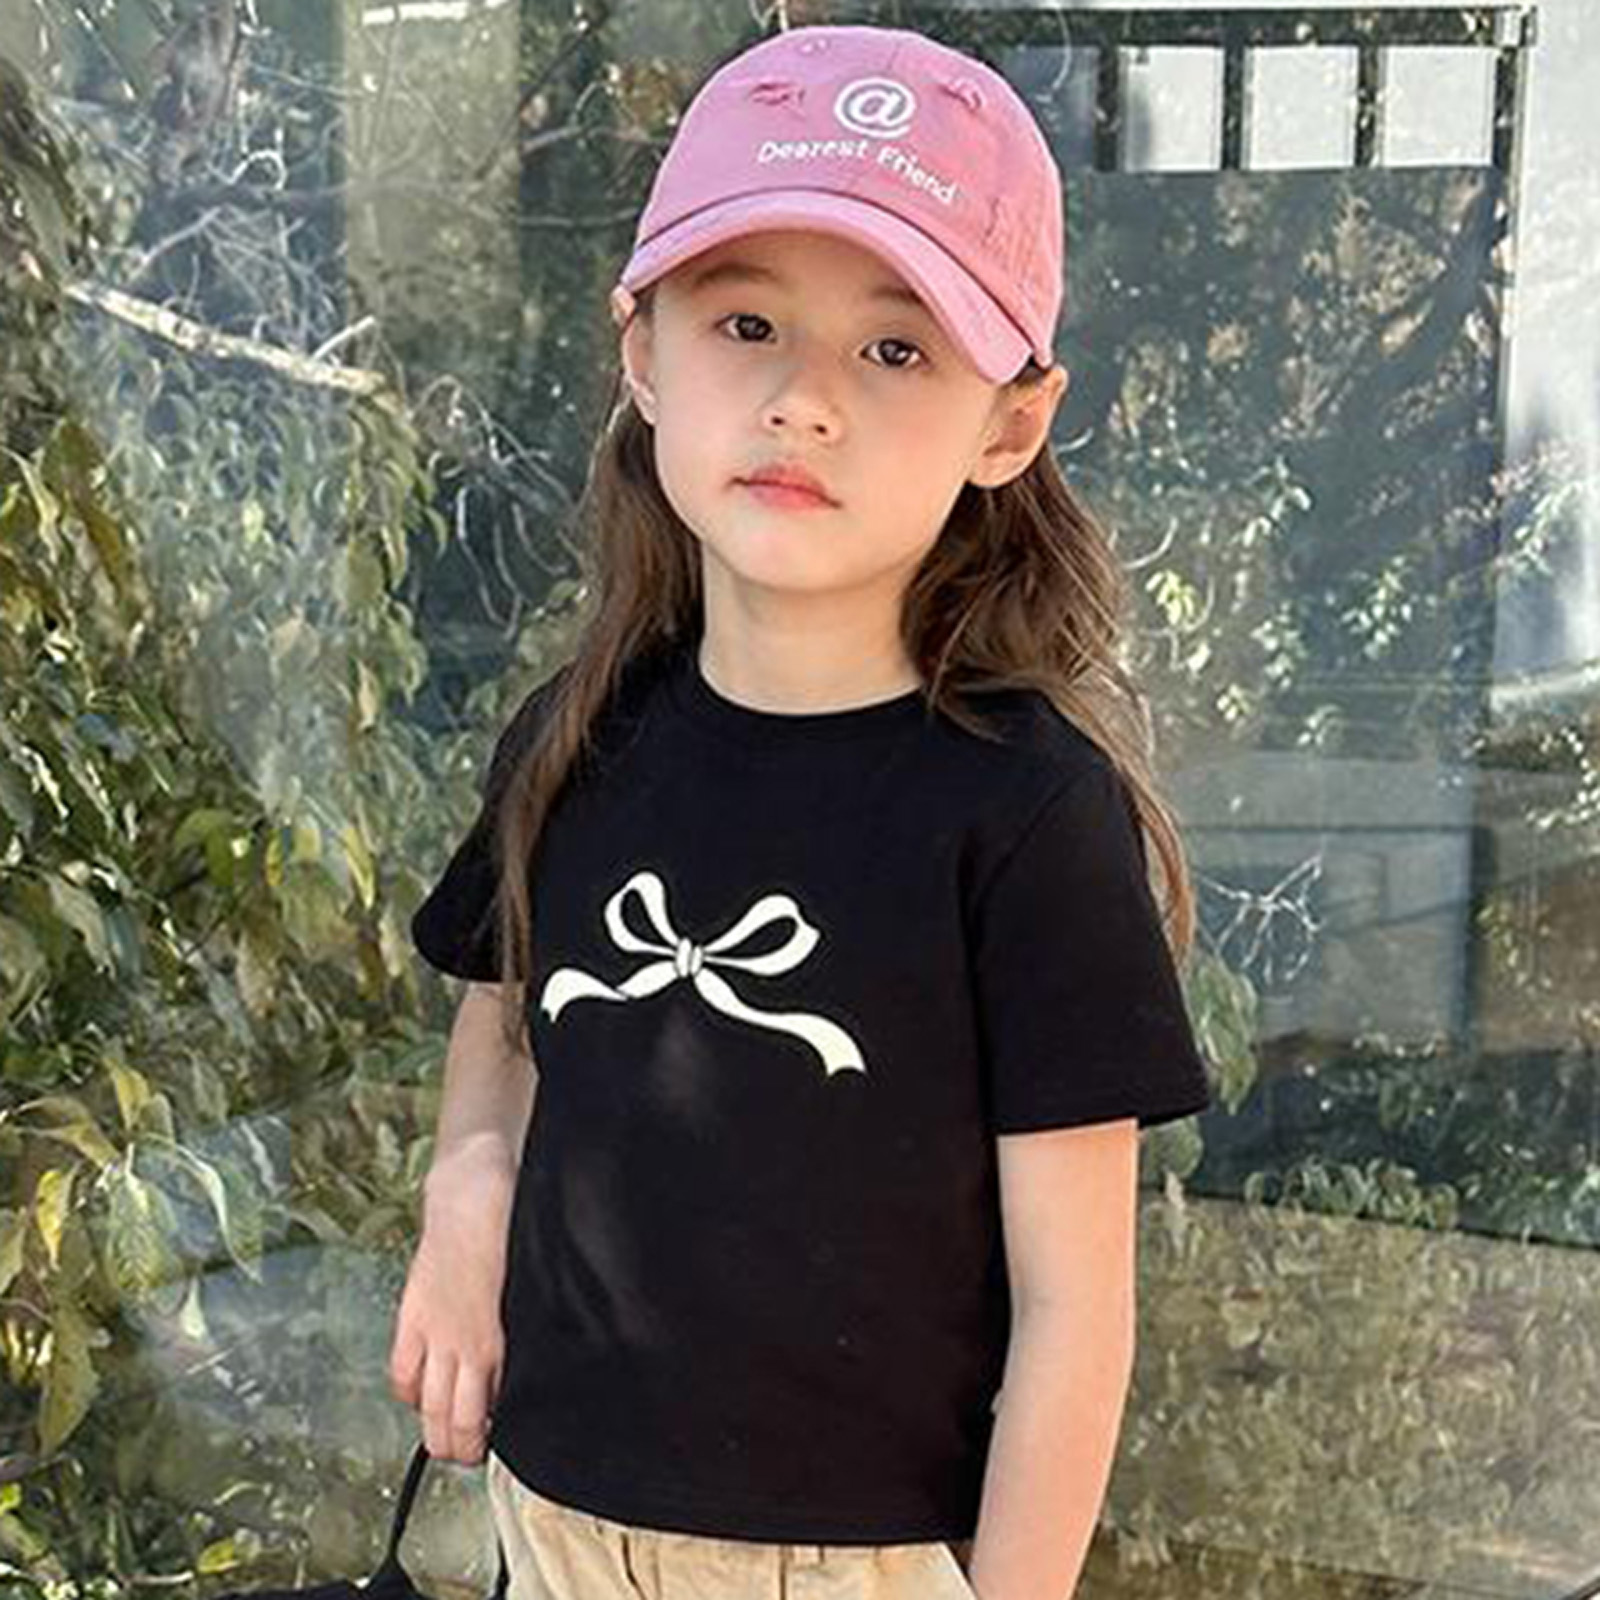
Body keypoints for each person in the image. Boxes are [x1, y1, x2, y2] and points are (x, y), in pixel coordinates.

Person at [388, 20, 1213, 1600]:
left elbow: (1075, 1313)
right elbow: (507, 1011)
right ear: (643, 353)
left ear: (1010, 423)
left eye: (895, 350)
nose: (804, 400)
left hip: (855, 1567)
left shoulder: (1028, 814)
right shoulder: (575, 737)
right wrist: (467, 1185)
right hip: (547, 1530)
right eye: (747, 321)